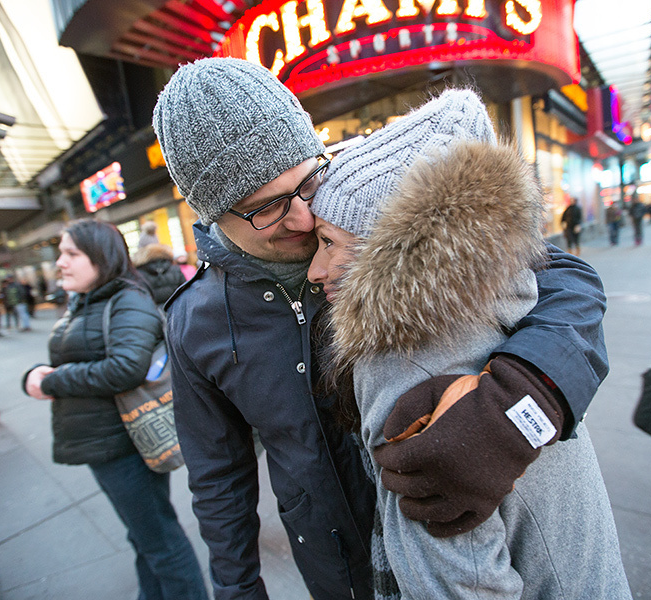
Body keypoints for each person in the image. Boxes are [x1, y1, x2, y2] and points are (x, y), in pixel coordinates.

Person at [153, 58, 608, 600]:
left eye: (306, 180)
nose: (302, 215)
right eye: (266, 207)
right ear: (211, 216)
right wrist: (237, 590)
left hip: (449, 536)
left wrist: (528, 396)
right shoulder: (193, 322)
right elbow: (217, 479)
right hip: (333, 563)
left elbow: (562, 278)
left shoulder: (364, 205)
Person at [308, 89, 631, 599]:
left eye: (328, 241)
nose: (315, 270)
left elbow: (466, 583)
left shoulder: (406, 356)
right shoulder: (507, 294)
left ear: (390, 248)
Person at [21, 220, 209, 599]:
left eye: (71, 253)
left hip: (123, 444)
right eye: (61, 252)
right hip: (105, 440)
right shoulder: (89, 299)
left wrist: (51, 381)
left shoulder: (126, 299)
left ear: (100, 256)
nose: (60, 262)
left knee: (159, 540)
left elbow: (126, 367)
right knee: (145, 535)